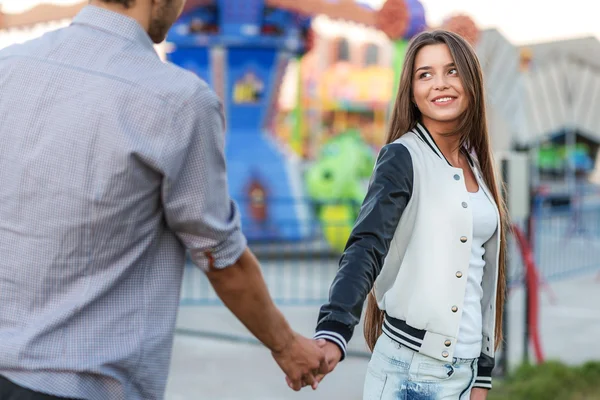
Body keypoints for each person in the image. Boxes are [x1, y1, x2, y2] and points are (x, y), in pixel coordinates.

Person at [0, 1, 329, 399]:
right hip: (82, 382)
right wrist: (288, 346)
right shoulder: (178, 101)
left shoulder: (10, 66)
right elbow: (220, 258)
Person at [312, 30, 509, 400]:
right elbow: (366, 245)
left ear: (471, 80)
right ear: (412, 92)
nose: (440, 84)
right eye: (425, 74)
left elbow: (479, 281)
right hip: (411, 373)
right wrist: (334, 327)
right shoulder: (403, 157)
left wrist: (481, 377)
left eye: (452, 71)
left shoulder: (478, 166)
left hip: (465, 377)